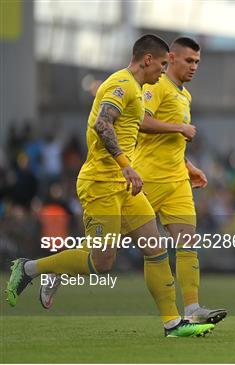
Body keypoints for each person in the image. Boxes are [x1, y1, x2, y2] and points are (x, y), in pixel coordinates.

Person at [6, 34, 215, 338]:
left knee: (155, 248)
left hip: (124, 184)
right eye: (161, 64)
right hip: (100, 183)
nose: (163, 71)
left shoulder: (141, 87)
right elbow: (102, 124)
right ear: (147, 60)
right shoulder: (122, 84)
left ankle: (173, 324)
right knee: (102, 261)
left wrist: (181, 164)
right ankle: (30, 269)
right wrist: (127, 165)